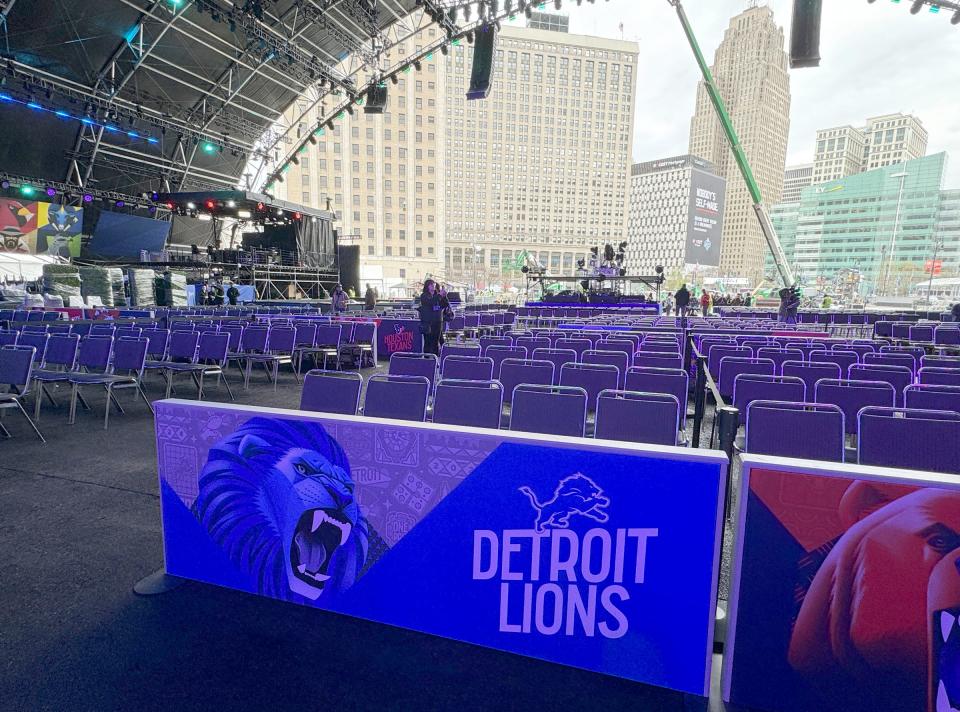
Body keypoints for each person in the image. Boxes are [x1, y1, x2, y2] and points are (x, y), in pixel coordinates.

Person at [417, 279, 449, 356]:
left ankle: (435, 360)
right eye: (431, 284)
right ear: (427, 286)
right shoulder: (424, 295)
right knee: (427, 341)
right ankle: (426, 360)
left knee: (435, 342)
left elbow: (445, 304)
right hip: (427, 322)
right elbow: (431, 302)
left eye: (434, 284)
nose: (433, 286)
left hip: (438, 321)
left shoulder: (437, 295)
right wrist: (439, 295)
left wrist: (444, 296)